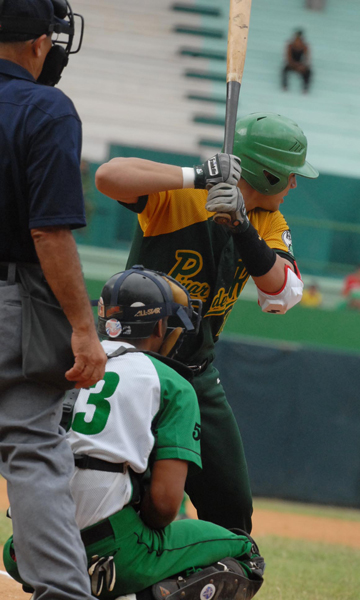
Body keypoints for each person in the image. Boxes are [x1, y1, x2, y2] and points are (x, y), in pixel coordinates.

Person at [94, 112, 319, 535]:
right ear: (268, 174)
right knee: (133, 495)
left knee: (232, 507)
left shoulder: (268, 222)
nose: (293, 185)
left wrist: (241, 226)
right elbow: (107, 176)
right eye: (289, 176)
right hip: (136, 368)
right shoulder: (180, 196)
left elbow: (283, 294)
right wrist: (196, 175)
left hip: (197, 375)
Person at [4, 266, 265, 600]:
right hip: (113, 549)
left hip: (26, 549)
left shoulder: (65, 359)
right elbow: (166, 505)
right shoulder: (171, 383)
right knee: (245, 551)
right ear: (159, 325)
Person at [0, 1, 106, 599]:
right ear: (42, 44)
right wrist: (83, 329)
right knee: (33, 448)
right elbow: (50, 231)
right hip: (14, 298)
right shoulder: (45, 108)